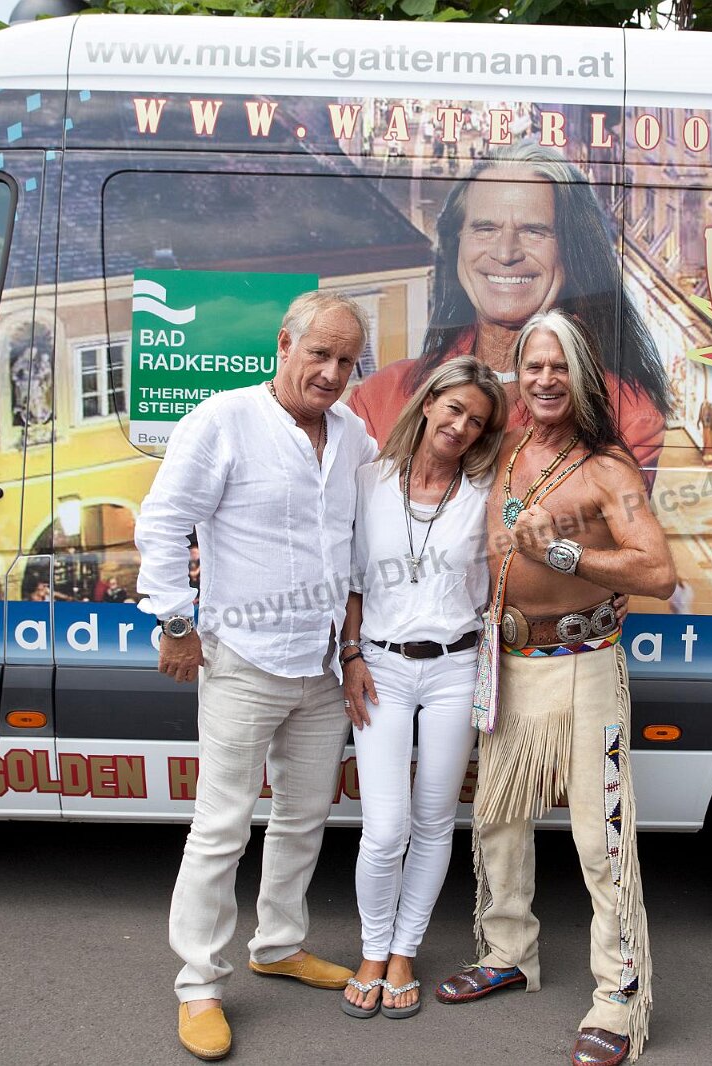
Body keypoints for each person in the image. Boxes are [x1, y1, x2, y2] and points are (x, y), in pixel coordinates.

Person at [134, 290, 378, 1062]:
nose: (332, 372)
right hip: (242, 658)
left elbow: (356, 549)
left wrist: (351, 650)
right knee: (221, 828)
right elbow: (162, 522)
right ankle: (199, 984)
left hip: (321, 666)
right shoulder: (223, 419)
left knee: (304, 819)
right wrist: (176, 623)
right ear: (284, 343)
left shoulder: (353, 435)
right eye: (320, 354)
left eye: (346, 360)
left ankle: (278, 946)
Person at [436, 311, 676, 1066]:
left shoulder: (609, 469)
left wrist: (566, 553)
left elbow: (658, 573)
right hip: (505, 664)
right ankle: (508, 953)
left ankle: (619, 999)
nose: (545, 379)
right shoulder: (505, 448)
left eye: (559, 366)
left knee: (600, 841)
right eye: (534, 366)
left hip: (584, 667)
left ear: (583, 376)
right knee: (498, 822)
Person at [336, 358, 508, 1021]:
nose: (461, 426)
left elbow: (513, 570)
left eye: (477, 421)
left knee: (435, 821)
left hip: (455, 669)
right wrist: (351, 652)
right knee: (385, 829)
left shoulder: (485, 491)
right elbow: (352, 578)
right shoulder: (369, 480)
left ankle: (403, 951)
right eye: (454, 408)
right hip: (380, 666)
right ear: (429, 402)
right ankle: (372, 949)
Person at [349, 143, 671, 474]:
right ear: (457, 244)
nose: (505, 253)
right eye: (485, 228)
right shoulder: (380, 398)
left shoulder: (626, 417)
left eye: (534, 231)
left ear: (572, 251)